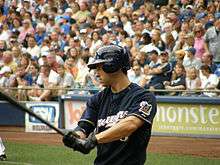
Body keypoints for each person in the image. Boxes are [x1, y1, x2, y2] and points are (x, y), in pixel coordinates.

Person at [62, 45, 157, 165]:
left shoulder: (143, 97)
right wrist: (75, 137)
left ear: (112, 66)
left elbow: (130, 125)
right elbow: (84, 127)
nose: (96, 74)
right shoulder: (97, 99)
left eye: (99, 68)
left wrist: (94, 139)